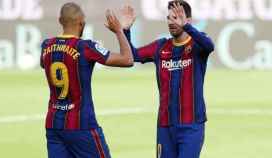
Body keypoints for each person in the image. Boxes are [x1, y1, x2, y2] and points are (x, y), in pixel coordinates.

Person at [120, 1, 214, 158]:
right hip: (165, 125)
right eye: (169, 18)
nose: (171, 22)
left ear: (188, 20)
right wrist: (125, 30)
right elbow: (132, 56)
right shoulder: (160, 47)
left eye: (176, 17)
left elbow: (210, 46)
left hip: (192, 125)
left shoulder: (197, 45)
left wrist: (187, 27)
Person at [40, 2, 133, 158]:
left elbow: (44, 65)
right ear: (81, 23)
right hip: (81, 125)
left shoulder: (46, 45)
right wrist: (118, 31)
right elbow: (128, 59)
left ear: (60, 21)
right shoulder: (85, 47)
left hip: (54, 125)